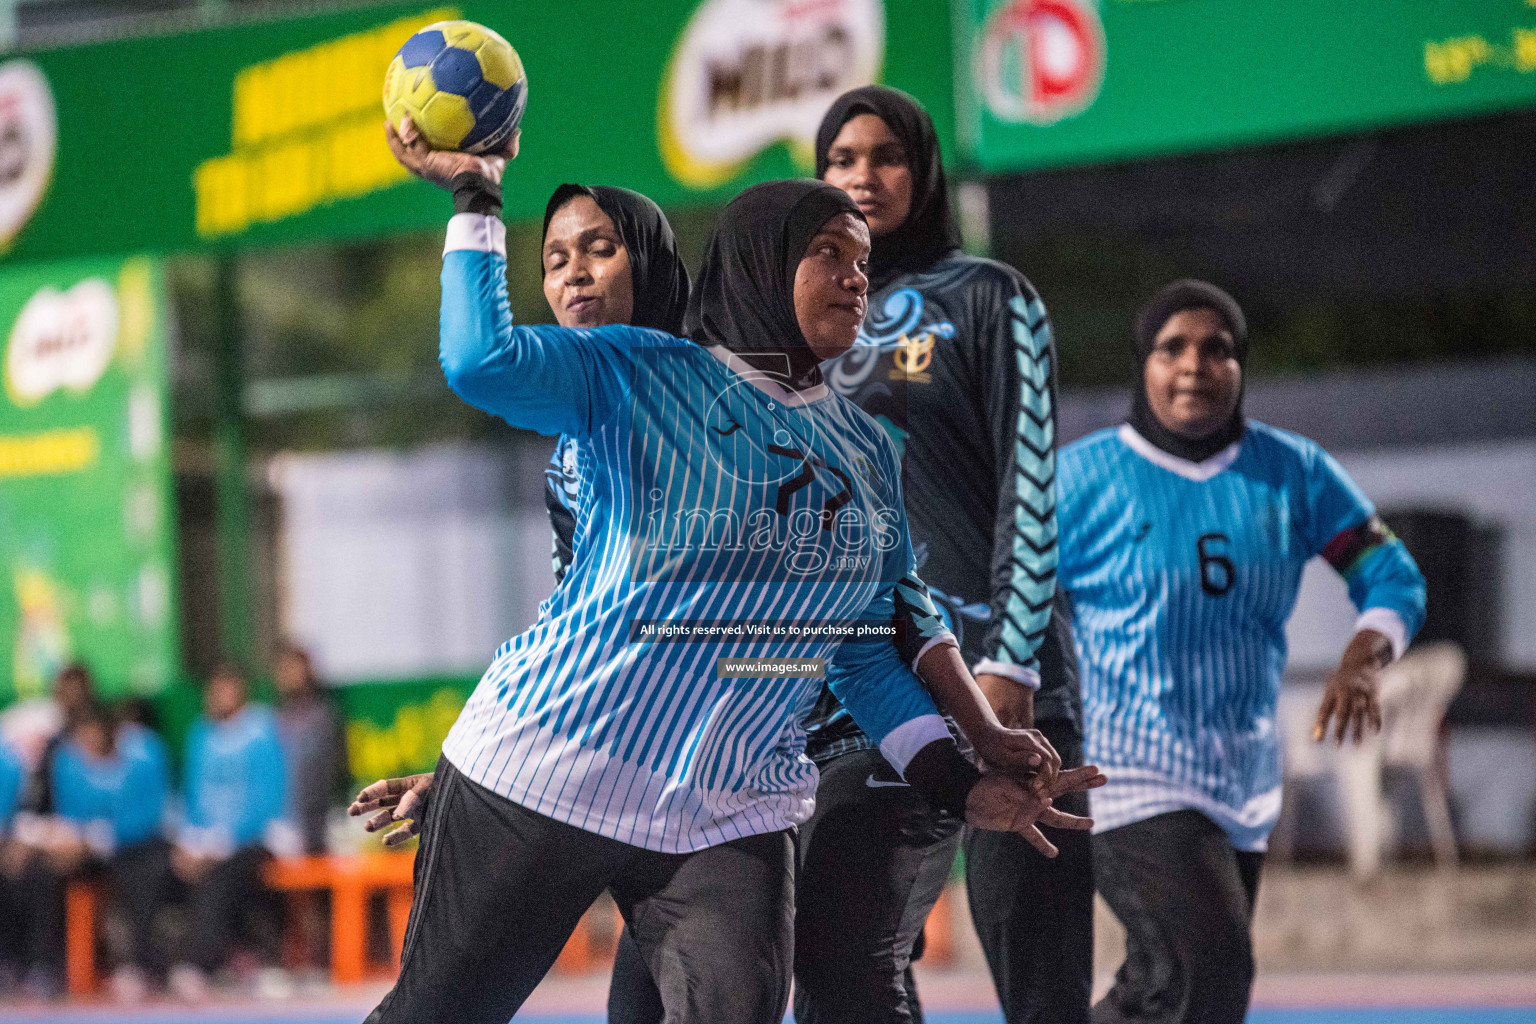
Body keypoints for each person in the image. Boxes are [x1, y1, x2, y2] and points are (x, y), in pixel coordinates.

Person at [351, 118, 1102, 1024]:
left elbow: (865, 651)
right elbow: (480, 362)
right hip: (550, 766)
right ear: (758, 261)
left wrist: (963, 777)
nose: (856, 276)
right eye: (829, 253)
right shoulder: (643, 372)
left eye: (862, 259)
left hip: (730, 805)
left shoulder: (866, 447)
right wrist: (476, 201)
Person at [534, 180, 1073, 1024]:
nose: (576, 277)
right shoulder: (586, 445)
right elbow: (584, 634)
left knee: (846, 971)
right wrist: (482, 768)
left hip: (846, 738)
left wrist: (976, 734)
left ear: (655, 264)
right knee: (640, 1006)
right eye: (556, 259)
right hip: (708, 765)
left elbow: (886, 613)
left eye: (600, 249)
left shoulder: (798, 424)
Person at [1057, 280, 1428, 1024]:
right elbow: (1005, 605)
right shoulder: (1079, 479)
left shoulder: (1292, 472)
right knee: (1212, 967)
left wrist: (1362, 656)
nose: (1195, 365)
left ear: (1240, 365)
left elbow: (1392, 575)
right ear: (1144, 364)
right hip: (1126, 771)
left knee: (1163, 987)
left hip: (1240, 774)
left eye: (1216, 348)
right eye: (1173, 348)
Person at [808, 84, 1088, 1024]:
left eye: (884, 155)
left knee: (1038, 978)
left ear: (922, 170)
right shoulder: (807, 327)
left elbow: (1030, 482)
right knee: (854, 962)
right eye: (840, 160)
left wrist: (1011, 661)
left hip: (1006, 683)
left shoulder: (989, 296)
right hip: (872, 697)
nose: (861, 177)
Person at [167, 663, 288, 1002]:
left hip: (252, 839)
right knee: (157, 868)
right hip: (203, 842)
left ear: (240, 690)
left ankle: (198, 962)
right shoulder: (200, 734)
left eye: (225, 687)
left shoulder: (261, 731)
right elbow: (192, 796)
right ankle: (148, 964)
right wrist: (190, 841)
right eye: (213, 688)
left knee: (226, 872)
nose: (218, 695)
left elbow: (268, 799)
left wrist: (222, 842)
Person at [44, 702, 173, 1002]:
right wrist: (72, 837)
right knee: (45, 871)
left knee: (145, 871)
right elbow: (69, 810)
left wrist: (104, 836)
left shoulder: (144, 754)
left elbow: (150, 813)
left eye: (95, 734)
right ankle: (48, 963)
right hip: (84, 847)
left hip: (134, 843)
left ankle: (137, 963)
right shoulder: (68, 758)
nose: (89, 743)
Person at [274, 643, 349, 855]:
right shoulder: (276, 717)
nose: (289, 674)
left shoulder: (324, 717)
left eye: (294, 667)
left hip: (318, 823)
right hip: (283, 826)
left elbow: (332, 772)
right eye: (283, 668)